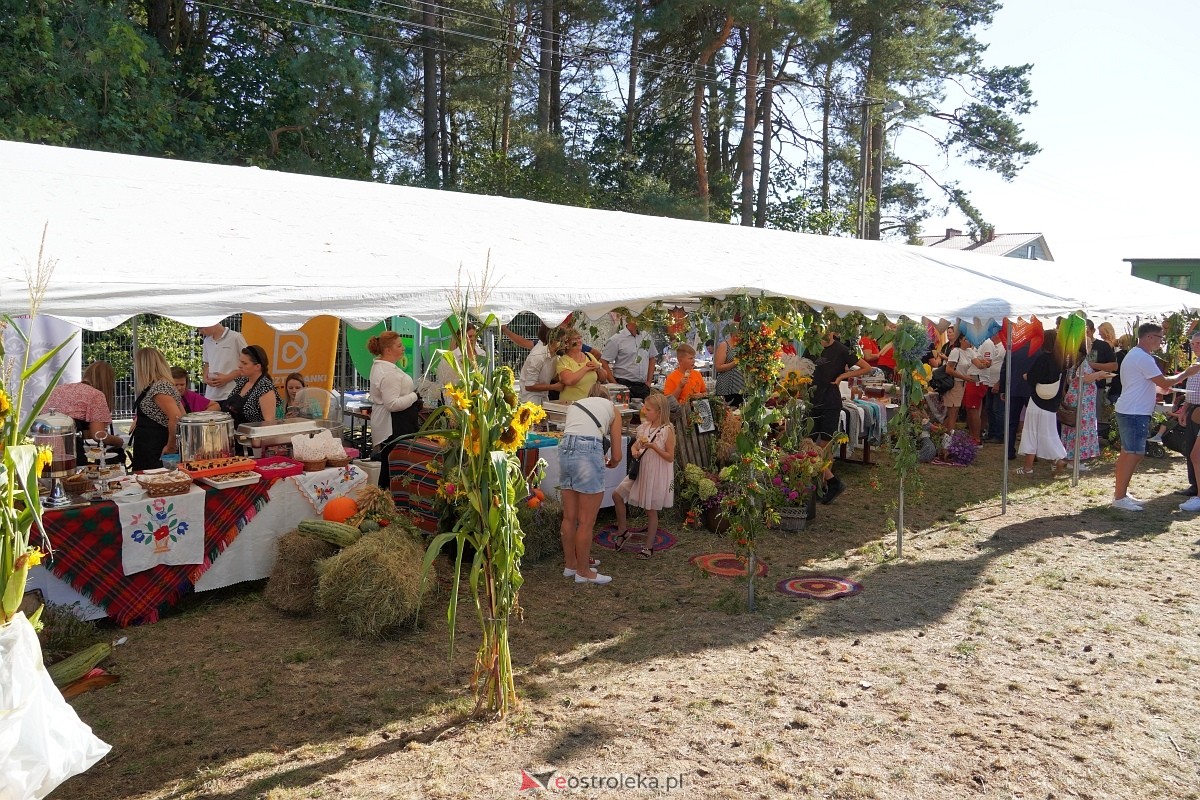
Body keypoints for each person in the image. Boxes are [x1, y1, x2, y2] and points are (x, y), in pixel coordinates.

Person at [1113, 323, 1200, 511]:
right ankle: (1119, 497)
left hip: (1132, 409)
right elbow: (1163, 381)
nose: (1162, 342)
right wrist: (1186, 373)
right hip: (1134, 411)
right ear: (1149, 337)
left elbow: (1153, 384)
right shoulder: (1143, 357)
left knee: (1129, 453)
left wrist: (1161, 387)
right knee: (1134, 454)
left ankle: (1121, 494)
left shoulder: (1137, 355)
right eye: (1160, 338)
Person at [559, 383, 622, 584]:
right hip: (588, 450)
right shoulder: (612, 409)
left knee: (569, 517)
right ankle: (583, 572)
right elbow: (618, 455)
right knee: (586, 521)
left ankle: (571, 564)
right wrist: (612, 462)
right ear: (608, 397)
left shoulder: (575, 405)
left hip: (565, 447)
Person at [809, 331, 873, 504]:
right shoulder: (811, 347)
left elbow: (866, 367)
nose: (822, 333)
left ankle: (828, 484)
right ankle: (829, 483)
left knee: (822, 448)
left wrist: (842, 377)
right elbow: (802, 368)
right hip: (812, 401)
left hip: (831, 402)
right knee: (810, 446)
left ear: (832, 332)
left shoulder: (841, 350)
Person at [611, 392, 676, 559]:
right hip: (639, 470)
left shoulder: (667, 430)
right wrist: (634, 451)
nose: (645, 412)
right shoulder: (644, 427)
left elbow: (670, 457)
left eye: (648, 409)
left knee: (650, 510)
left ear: (659, 411)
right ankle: (623, 531)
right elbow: (636, 446)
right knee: (617, 495)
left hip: (654, 472)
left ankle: (648, 547)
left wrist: (654, 447)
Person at [368, 332, 422, 488]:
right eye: (399, 345)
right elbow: (391, 404)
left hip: (394, 423)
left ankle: (385, 499)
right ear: (388, 350)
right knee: (393, 467)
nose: (403, 348)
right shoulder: (388, 373)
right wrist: (413, 396)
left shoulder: (383, 367)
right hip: (394, 426)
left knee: (389, 466)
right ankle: (388, 500)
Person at [47, 361, 126, 465]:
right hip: (68, 450)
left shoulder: (60, 389)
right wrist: (118, 441)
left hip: (44, 447)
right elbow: (98, 435)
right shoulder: (95, 395)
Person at [1016, 330, 1068, 476]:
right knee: (1050, 432)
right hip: (1052, 403)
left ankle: (1028, 468)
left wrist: (1027, 376)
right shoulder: (1062, 360)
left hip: (1038, 400)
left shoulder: (1043, 358)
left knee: (1031, 432)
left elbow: (1033, 377)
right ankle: (1058, 459)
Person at [129, 348, 185, 472]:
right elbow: (182, 414)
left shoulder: (160, 387)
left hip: (155, 449)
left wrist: (171, 446)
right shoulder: (161, 385)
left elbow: (176, 417)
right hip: (149, 447)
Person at [1059, 344, 1112, 468]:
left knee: (1073, 427)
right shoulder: (1080, 362)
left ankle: (1069, 458)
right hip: (1081, 400)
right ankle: (1073, 460)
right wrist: (1099, 375)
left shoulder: (1073, 361)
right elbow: (1084, 379)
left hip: (1080, 398)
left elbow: (1073, 379)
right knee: (1078, 428)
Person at [220, 345, 281, 426]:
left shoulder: (265, 389)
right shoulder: (242, 381)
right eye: (240, 361)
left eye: (244, 363)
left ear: (257, 367)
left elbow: (269, 423)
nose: (239, 366)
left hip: (251, 437)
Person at [601, 316, 658, 400]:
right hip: (623, 384)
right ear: (630, 319)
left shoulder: (646, 336)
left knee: (644, 411)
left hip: (642, 386)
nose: (642, 322)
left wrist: (649, 382)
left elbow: (652, 357)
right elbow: (603, 361)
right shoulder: (617, 339)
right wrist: (615, 384)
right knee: (624, 411)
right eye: (639, 318)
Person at [1176, 329, 1200, 506]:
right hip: (1193, 409)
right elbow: (1190, 393)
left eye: (1198, 344)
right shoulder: (1195, 364)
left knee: (1196, 453)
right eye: (1193, 344)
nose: (1195, 347)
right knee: (1190, 449)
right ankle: (1194, 486)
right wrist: (1183, 410)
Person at [199, 322, 247, 402]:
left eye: (201, 328)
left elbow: (248, 363)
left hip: (231, 394)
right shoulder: (207, 341)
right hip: (211, 395)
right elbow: (207, 364)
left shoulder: (236, 337)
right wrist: (206, 379)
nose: (200, 332)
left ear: (212, 322)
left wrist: (228, 378)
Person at [516, 326, 563, 405]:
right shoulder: (538, 356)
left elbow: (553, 376)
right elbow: (529, 386)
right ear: (554, 341)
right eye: (564, 342)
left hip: (543, 398)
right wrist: (554, 387)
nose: (567, 345)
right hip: (530, 401)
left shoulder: (555, 356)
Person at [556, 330, 606, 403]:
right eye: (574, 339)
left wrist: (598, 368)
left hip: (591, 403)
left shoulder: (589, 356)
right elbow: (569, 381)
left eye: (579, 338)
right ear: (567, 344)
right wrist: (586, 368)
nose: (579, 341)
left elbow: (603, 378)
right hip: (571, 404)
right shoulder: (563, 360)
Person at [941, 330, 974, 434]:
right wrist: (964, 377)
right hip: (955, 383)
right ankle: (948, 441)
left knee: (954, 413)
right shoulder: (956, 351)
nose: (968, 341)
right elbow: (948, 369)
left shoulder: (969, 351)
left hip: (962, 384)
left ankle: (942, 435)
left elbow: (977, 362)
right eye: (966, 339)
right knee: (953, 414)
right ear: (960, 340)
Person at [713, 329, 746, 407]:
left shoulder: (743, 345)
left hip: (740, 386)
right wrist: (734, 363)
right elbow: (718, 367)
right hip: (727, 387)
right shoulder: (724, 345)